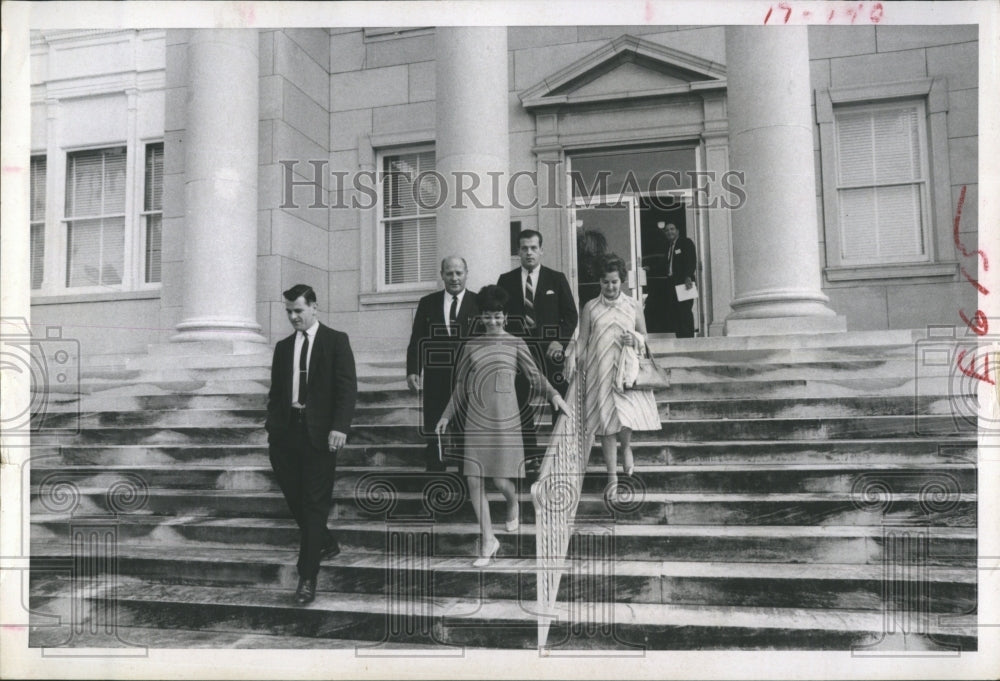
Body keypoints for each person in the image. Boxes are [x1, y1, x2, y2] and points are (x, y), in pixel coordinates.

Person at [435, 286, 569, 567]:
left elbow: (535, 376)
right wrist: (446, 415)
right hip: (476, 420)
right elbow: (460, 385)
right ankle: (488, 540)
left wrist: (555, 396)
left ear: (505, 317)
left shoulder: (516, 343)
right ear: (481, 317)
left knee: (499, 480)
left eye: (497, 316)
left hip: (505, 421)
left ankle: (511, 502)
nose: (493, 321)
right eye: (487, 316)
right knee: (474, 479)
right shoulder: (471, 346)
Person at [265, 284, 357, 605]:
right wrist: (272, 428)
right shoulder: (282, 347)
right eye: (289, 311)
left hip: (320, 435)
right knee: (297, 500)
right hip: (286, 434)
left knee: (315, 503)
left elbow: (347, 390)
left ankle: (307, 577)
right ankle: (326, 541)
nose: (293, 317)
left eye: (299, 311)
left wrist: (340, 428)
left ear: (314, 307)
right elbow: (276, 393)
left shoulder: (336, 342)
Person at [567, 254, 660, 501]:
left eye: (615, 282)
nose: (610, 287)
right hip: (601, 372)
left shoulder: (633, 305)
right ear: (600, 281)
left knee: (625, 418)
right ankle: (612, 477)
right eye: (606, 282)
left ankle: (627, 447)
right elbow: (583, 340)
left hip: (626, 372)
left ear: (623, 281)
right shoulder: (590, 307)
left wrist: (636, 340)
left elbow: (645, 336)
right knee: (607, 425)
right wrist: (571, 356)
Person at [496, 230, 578, 479]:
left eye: (533, 248)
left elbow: (571, 315)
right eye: (524, 248)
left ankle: (559, 453)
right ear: (518, 251)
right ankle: (529, 455)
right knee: (520, 401)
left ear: (541, 249)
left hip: (550, 351)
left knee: (557, 398)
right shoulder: (506, 280)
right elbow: (499, 316)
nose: (529, 252)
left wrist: (560, 342)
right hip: (519, 352)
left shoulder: (556, 278)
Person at [405, 256, 479, 472]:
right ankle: (435, 486)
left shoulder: (478, 302)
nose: (454, 278)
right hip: (436, 379)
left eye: (458, 273)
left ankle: (467, 488)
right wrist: (412, 370)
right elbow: (417, 339)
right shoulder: (428, 303)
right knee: (434, 432)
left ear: (466, 274)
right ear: (442, 275)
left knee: (466, 432)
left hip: (469, 381)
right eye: (449, 273)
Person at [663, 222, 697, 338]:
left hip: (685, 282)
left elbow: (691, 261)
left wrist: (688, 277)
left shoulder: (686, 242)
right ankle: (680, 338)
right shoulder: (668, 247)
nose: (669, 232)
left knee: (685, 312)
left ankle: (688, 339)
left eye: (672, 229)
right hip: (673, 284)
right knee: (676, 312)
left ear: (677, 231)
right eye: (667, 230)